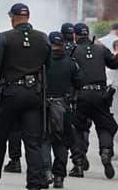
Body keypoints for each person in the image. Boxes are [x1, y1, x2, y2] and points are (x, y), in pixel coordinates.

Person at [0, 3, 50, 190]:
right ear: (28, 17)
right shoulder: (43, 38)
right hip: (34, 95)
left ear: (13, 18)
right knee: (33, 142)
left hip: (11, 94)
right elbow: (49, 67)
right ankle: (35, 182)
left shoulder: (5, 37)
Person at [70, 22, 118, 179]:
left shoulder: (73, 51)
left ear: (75, 35)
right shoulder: (100, 48)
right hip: (100, 95)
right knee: (105, 126)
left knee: (78, 128)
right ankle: (106, 151)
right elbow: (114, 64)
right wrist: (117, 53)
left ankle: (78, 164)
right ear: (87, 34)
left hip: (81, 95)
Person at [40, 32, 82, 189]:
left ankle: (46, 172)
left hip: (43, 105)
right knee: (61, 143)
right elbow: (79, 82)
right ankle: (59, 177)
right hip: (63, 106)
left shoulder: (41, 62)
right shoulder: (71, 63)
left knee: (43, 139)